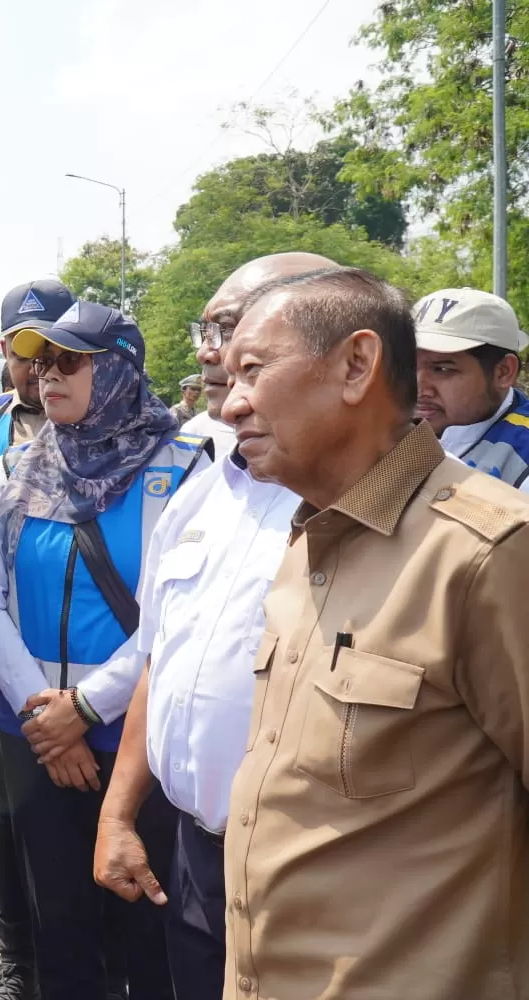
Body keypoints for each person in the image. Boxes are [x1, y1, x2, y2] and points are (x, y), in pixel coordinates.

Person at [220, 266, 529, 998]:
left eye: (254, 370)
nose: (232, 405)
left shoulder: (487, 552)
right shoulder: (310, 541)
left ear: (357, 366)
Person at [90, 253, 334, 1000]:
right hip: (197, 855)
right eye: (209, 329)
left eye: (228, 328)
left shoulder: (390, 515)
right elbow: (165, 660)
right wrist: (119, 813)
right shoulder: (204, 488)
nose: (207, 350)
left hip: (326, 882)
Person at [0, 301, 213, 1000]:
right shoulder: (15, 470)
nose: (47, 376)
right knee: (60, 930)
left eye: (68, 360)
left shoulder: (188, 470)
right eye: (40, 361)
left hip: (136, 734)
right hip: (33, 732)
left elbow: (176, 615)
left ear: (119, 369)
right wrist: (44, 717)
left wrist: (85, 705)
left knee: (147, 930)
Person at [0, 278, 75, 999]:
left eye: (54, 347)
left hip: (85, 656)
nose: (39, 366)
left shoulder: (114, 425)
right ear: (5, 350)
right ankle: (18, 962)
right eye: (25, 349)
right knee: (7, 810)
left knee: (86, 808)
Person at [182, 253, 336, 459]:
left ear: (355, 361)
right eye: (205, 332)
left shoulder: (378, 481)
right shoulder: (208, 483)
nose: (204, 354)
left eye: (226, 327)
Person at [413, 287, 529, 490]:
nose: (418, 387)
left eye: (441, 369)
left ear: (503, 372)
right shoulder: (386, 423)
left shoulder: (522, 459)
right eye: (406, 365)